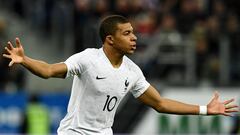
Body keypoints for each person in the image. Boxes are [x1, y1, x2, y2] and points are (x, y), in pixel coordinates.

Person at [2, 15, 239, 135]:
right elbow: (49, 70)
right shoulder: (88, 59)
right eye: (127, 33)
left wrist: (206, 109)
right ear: (110, 39)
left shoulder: (132, 72)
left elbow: (160, 103)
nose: (134, 37)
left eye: (133, 32)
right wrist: (25, 60)